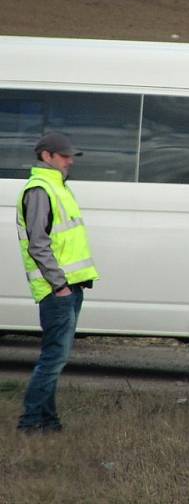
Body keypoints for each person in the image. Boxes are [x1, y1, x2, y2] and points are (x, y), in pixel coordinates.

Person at [15, 132, 99, 433]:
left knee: (55, 357)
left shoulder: (57, 187)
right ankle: (29, 423)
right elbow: (38, 244)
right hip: (58, 290)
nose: (70, 160)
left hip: (70, 287)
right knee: (54, 358)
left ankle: (49, 423)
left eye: (71, 155)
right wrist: (59, 284)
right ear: (46, 155)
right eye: (65, 155)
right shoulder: (40, 189)